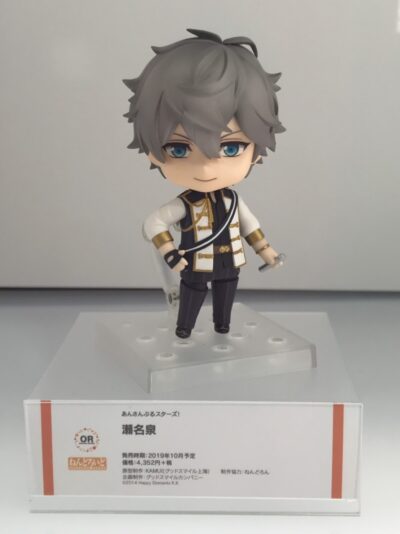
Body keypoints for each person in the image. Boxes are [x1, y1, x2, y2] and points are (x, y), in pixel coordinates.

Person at [123, 28, 285, 338]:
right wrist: (171, 253)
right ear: (154, 151)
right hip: (195, 263)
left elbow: (250, 226)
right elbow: (153, 223)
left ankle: (222, 325)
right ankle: (184, 327)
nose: (208, 166)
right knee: (193, 293)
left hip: (229, 261)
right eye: (179, 149)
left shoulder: (234, 202)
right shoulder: (184, 204)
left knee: (226, 290)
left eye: (231, 148)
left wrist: (267, 252)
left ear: (256, 148)